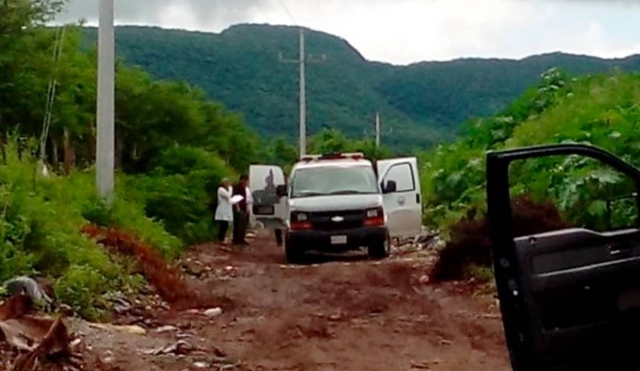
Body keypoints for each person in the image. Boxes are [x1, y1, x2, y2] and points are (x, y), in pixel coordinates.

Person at [232, 174, 251, 245]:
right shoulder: (237, 187)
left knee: (243, 225)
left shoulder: (245, 188)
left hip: (244, 207)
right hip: (238, 208)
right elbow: (235, 198)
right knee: (238, 224)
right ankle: (236, 239)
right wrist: (237, 207)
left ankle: (241, 238)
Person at [214, 178, 233, 246]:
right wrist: (230, 188)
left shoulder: (226, 190)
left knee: (226, 225)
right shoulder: (221, 190)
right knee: (223, 225)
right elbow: (228, 196)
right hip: (222, 209)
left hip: (226, 209)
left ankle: (223, 238)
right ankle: (220, 239)